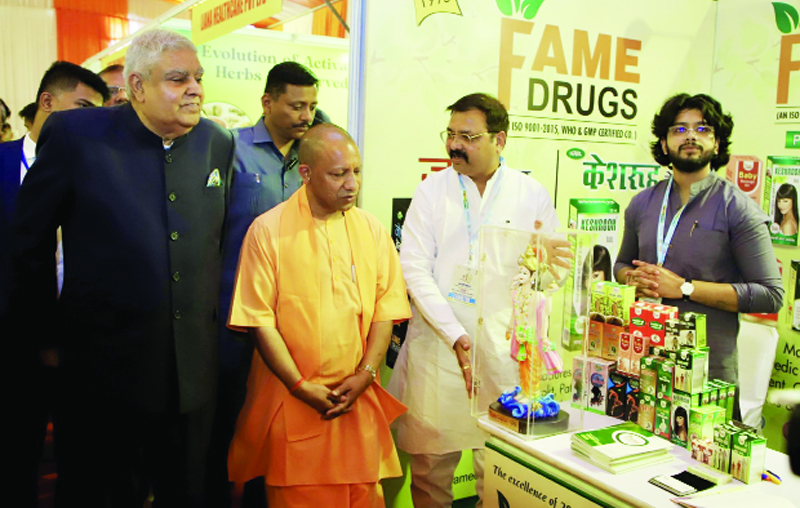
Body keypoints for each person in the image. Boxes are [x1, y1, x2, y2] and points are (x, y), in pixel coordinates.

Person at [9, 28, 233, 507]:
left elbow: (218, 246)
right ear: (136, 87)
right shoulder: (76, 137)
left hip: (193, 378)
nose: (195, 88)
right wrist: (45, 336)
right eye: (178, 79)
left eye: (198, 77)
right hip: (101, 376)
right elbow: (28, 242)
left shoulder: (217, 142)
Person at [387, 93, 565, 507]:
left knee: (501, 470)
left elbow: (553, 268)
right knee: (432, 471)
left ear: (499, 140)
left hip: (504, 352)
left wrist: (539, 276)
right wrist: (454, 334)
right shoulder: (433, 190)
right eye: (450, 135)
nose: (454, 146)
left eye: (467, 137)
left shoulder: (529, 193)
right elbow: (414, 268)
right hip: (440, 349)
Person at [227, 123, 410, 507]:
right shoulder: (267, 231)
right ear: (305, 174)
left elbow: (385, 309)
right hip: (292, 401)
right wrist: (299, 386)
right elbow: (259, 319)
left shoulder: (372, 229)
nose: (351, 184)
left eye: (356, 171)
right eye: (339, 173)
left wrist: (366, 374)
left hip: (355, 401)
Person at [207, 60, 329, 507]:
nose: (306, 116)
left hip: (295, 320)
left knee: (279, 423)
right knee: (227, 418)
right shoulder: (230, 149)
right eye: (297, 105)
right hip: (235, 316)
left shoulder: (313, 158)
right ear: (267, 102)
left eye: (313, 106)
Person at [615, 93, 783, 396]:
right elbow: (620, 265)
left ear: (717, 143)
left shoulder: (738, 208)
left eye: (702, 129)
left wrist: (685, 288)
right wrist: (634, 280)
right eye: (679, 129)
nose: (691, 135)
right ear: (664, 144)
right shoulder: (642, 204)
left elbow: (770, 295)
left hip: (706, 378)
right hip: (642, 363)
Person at [0, 61, 107, 507]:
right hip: (11, 343)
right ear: (47, 102)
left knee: (80, 464)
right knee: (14, 461)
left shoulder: (102, 172)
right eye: (82, 107)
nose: (90, 121)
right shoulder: (4, 164)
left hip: (82, 344)